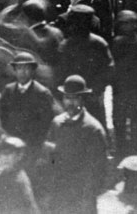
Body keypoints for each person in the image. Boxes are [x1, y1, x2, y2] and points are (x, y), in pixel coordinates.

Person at [44, 75, 109, 214]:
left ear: (82, 100)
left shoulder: (93, 129)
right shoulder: (57, 123)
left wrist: (88, 196)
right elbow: (50, 156)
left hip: (82, 196)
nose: (70, 102)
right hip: (59, 191)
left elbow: (99, 169)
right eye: (67, 98)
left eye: (74, 98)